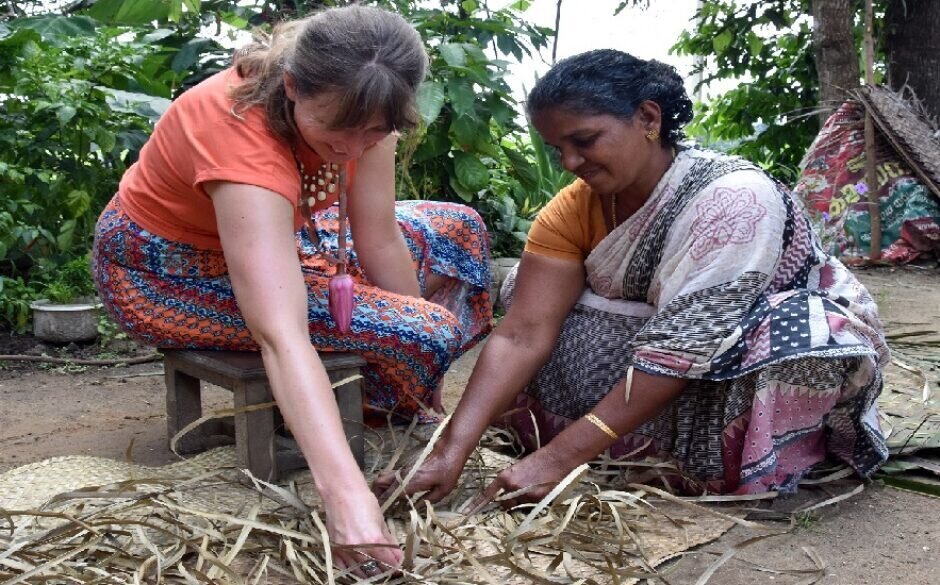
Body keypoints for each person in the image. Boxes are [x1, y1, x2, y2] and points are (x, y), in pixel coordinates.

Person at [373, 49, 889, 508]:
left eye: (585, 140)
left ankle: (748, 454)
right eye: (557, 149)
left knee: (796, 333)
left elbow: (683, 347)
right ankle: (613, 440)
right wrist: (448, 452)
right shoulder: (572, 209)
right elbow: (521, 332)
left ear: (647, 118)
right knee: (538, 300)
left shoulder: (733, 200)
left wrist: (558, 459)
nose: (571, 163)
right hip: (654, 353)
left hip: (727, 359)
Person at [92, 5, 492, 577]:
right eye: (337, 132)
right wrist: (348, 500)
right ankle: (356, 415)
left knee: (457, 232)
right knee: (426, 329)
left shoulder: (368, 103)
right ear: (292, 87)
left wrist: (421, 359)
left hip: (284, 232)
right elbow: (279, 333)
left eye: (373, 133)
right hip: (168, 272)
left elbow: (376, 235)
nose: (353, 149)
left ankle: (386, 398)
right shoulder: (237, 134)